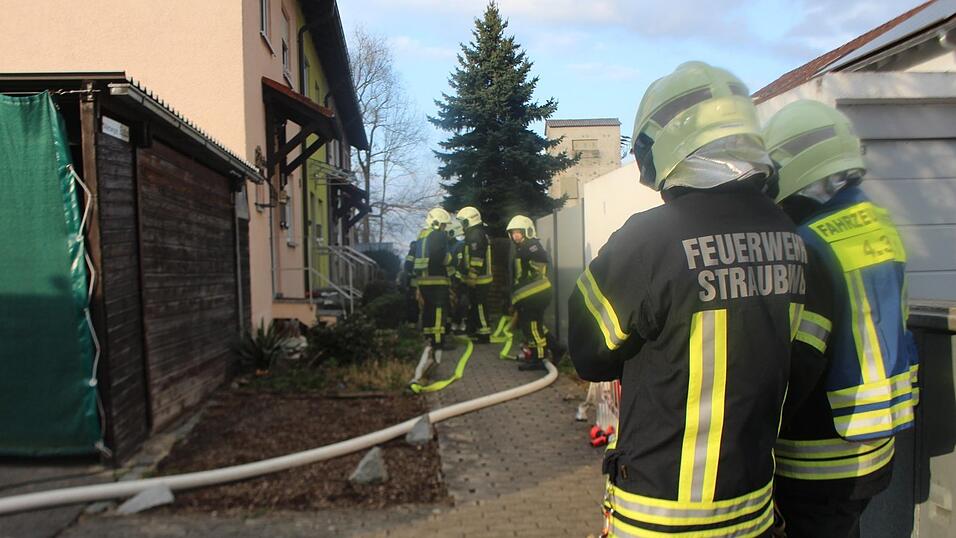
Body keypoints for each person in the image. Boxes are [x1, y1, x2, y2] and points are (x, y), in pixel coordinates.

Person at [568, 61, 806, 537]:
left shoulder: (650, 240)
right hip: (753, 507)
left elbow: (588, 355)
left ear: (668, 146)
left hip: (660, 514)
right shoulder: (790, 238)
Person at [762, 100, 919, 538]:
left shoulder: (809, 243)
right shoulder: (880, 225)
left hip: (821, 454)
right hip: (878, 443)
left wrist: (757, 425)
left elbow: (803, 357)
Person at [409, 208, 453, 385]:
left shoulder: (421, 236)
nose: (444, 228)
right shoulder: (439, 236)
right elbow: (443, 258)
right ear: (437, 223)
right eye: (443, 224)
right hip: (438, 281)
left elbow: (410, 261)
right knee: (439, 312)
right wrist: (451, 261)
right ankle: (438, 342)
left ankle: (428, 339)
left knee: (427, 310)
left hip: (423, 281)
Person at [507, 215, 553, 371]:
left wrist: (515, 300)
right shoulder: (531, 247)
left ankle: (539, 358)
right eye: (513, 233)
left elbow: (522, 279)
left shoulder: (528, 248)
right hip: (535, 295)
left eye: (518, 232)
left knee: (532, 327)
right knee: (536, 326)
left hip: (534, 296)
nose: (515, 236)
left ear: (527, 231)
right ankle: (555, 349)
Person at [457, 206, 493, 342]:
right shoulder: (475, 233)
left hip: (480, 279)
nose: (461, 225)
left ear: (469, 221)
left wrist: (472, 274)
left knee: (479, 305)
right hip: (478, 278)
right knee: (475, 305)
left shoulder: (475, 234)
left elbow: (477, 256)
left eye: (463, 222)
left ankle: (484, 334)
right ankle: (474, 330)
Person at [446, 218, 469, 334]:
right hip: (450, 280)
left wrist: (457, 279)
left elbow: (460, 264)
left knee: (462, 301)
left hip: (459, 280)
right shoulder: (446, 246)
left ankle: (461, 322)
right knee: (452, 303)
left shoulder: (460, 245)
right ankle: (454, 323)